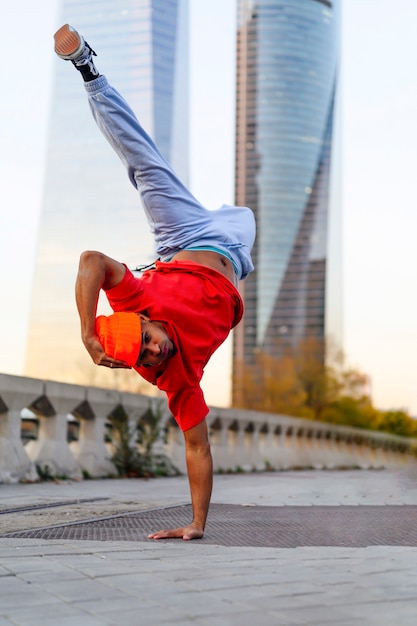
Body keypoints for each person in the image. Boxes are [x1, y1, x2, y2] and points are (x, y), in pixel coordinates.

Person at [54, 24, 256, 541]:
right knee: (249, 213)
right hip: (233, 245)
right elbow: (197, 446)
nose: (155, 350)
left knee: (141, 163)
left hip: (181, 237)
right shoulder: (175, 378)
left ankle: (89, 72)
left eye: (147, 339)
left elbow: (91, 259)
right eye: (146, 356)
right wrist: (197, 523)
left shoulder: (135, 300)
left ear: (142, 320)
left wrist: (87, 332)